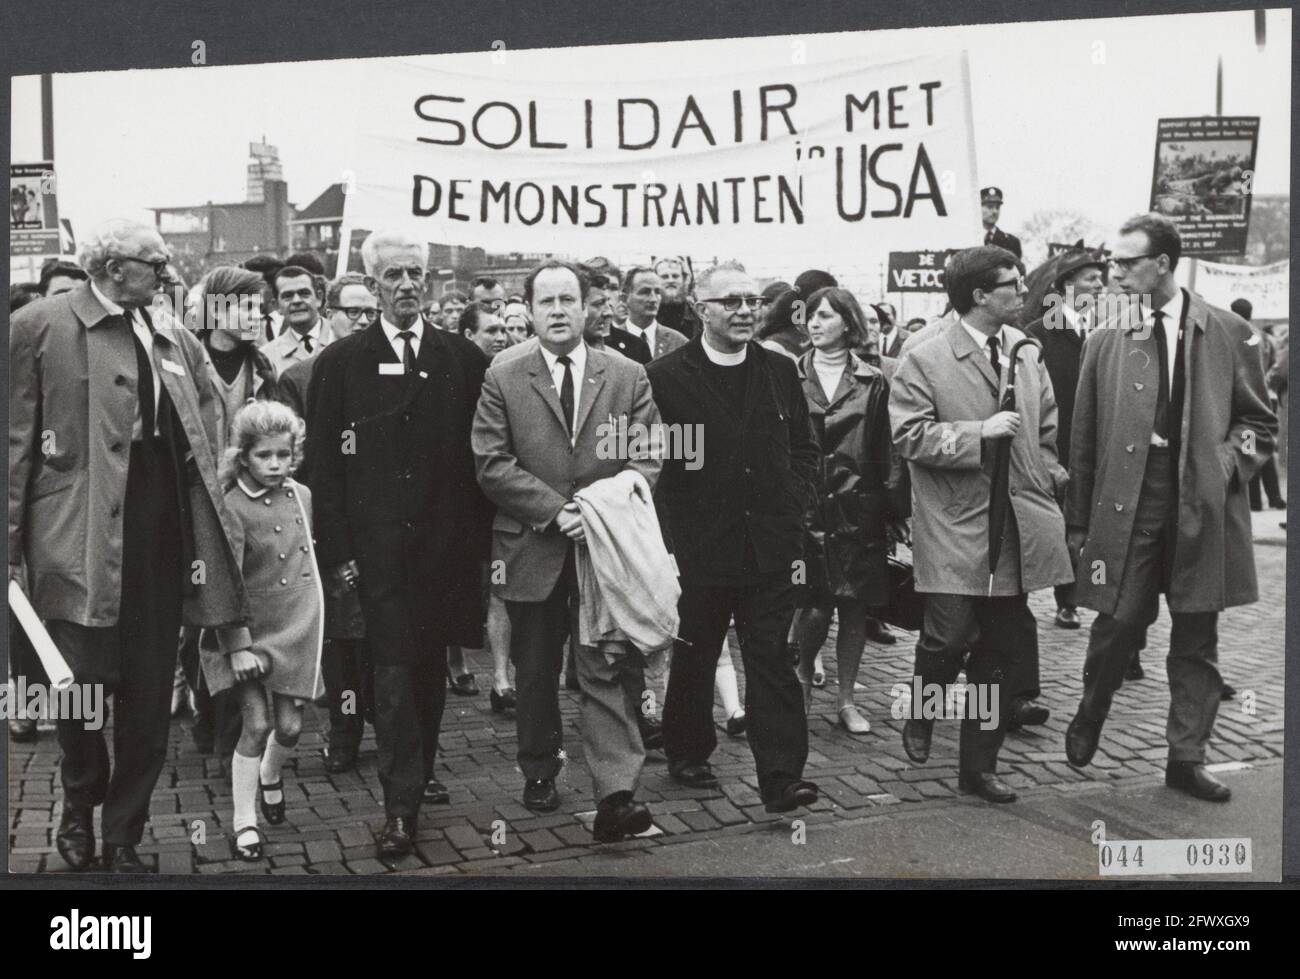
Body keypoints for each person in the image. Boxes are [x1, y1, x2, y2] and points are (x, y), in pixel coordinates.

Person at [9, 219, 249, 871]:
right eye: (155, 262)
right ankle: (77, 804)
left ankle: (123, 833)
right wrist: (9, 549)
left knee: (148, 692)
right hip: (75, 531)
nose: (168, 273)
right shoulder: (40, 325)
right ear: (113, 267)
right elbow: (14, 445)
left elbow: (207, 426)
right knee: (76, 685)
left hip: (160, 524)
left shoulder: (171, 330)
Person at [1064, 214, 1277, 802]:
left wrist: (1226, 467)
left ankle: (1187, 758)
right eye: (1113, 261)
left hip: (1200, 508)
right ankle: (1092, 707)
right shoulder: (1105, 340)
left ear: (1163, 264)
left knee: (1197, 636)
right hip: (1127, 506)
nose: (1115, 272)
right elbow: (1081, 442)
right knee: (1117, 622)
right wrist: (1079, 523)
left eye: (1126, 262)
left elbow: (1259, 423)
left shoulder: (1231, 333)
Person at [307, 230, 492, 858]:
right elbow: (325, 467)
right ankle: (399, 807)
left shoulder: (464, 360)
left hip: (444, 547)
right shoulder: (340, 364)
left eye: (417, 273)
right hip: (376, 549)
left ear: (432, 281)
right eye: (393, 276)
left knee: (428, 670)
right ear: (373, 285)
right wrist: (338, 552)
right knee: (389, 673)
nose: (407, 285)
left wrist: (476, 544)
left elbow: (483, 458)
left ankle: (421, 767)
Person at [472, 259, 664, 838]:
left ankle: (617, 792)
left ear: (587, 308)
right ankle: (539, 767)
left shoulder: (627, 375)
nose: (557, 311)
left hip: (604, 549)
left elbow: (647, 454)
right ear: (529, 311)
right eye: (546, 301)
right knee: (535, 669)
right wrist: (557, 511)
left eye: (568, 300)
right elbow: (490, 462)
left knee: (607, 665)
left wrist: (600, 510)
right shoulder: (503, 376)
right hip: (533, 545)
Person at [889, 245, 1072, 803]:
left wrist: (1051, 472)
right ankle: (922, 712)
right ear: (979, 295)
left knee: (998, 650)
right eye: (1012, 284)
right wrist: (977, 432)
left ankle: (979, 766)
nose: (1022, 292)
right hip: (954, 519)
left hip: (1015, 520)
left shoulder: (1024, 350)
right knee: (945, 634)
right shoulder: (923, 355)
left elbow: (1046, 427)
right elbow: (908, 435)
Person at [648, 262, 821, 813]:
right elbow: (656, 466)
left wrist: (795, 502)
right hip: (700, 544)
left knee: (771, 656)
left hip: (770, 543)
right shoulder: (665, 376)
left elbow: (804, 447)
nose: (746, 310)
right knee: (696, 650)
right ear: (702, 310)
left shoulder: (779, 369)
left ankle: (781, 775)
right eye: (731, 302)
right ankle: (688, 748)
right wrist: (672, 540)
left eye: (752, 300)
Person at [206, 401, 325, 861]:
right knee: (256, 724)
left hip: (294, 627)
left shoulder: (303, 495)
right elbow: (222, 581)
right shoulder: (231, 505)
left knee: (291, 727)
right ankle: (244, 821)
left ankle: (271, 774)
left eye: (283, 454)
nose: (275, 465)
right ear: (244, 456)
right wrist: (236, 644)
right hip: (249, 632)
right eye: (264, 456)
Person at [275, 273, 379, 773]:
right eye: (351, 312)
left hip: (385, 520)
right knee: (339, 637)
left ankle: (392, 728)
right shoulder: (302, 376)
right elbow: (299, 461)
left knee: (386, 632)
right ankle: (345, 730)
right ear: (329, 314)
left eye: (369, 313)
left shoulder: (395, 368)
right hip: (330, 518)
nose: (361, 322)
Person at [795, 287, 908, 734]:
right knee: (813, 606)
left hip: (858, 510)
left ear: (848, 321)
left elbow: (889, 449)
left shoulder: (873, 380)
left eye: (826, 315)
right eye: (811, 317)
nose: (815, 323)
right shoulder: (789, 375)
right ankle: (801, 682)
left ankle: (846, 699)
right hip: (805, 510)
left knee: (856, 608)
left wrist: (895, 508)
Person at [1024, 247, 1108, 630]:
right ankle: (1066, 600)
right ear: (1067, 285)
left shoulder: (1111, 329)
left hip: (1099, 445)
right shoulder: (1039, 333)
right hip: (1057, 444)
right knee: (1059, 524)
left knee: (1091, 524)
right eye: (1091, 278)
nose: (1100, 285)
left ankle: (1088, 597)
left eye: (1100, 278)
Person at [1233, 299, 1286, 511]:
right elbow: (1274, 365)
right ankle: (1274, 497)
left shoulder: (1234, 332)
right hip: (1266, 399)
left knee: (1249, 448)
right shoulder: (1264, 337)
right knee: (1265, 447)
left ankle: (1254, 501)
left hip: (1245, 402)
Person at [260, 265, 333, 377]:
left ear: (319, 298)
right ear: (277, 306)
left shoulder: (341, 336)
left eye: (304, 293)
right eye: (287, 296)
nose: (297, 301)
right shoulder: (268, 356)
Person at [606, 266, 687, 363]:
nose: (653, 299)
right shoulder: (611, 341)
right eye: (645, 292)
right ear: (624, 298)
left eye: (657, 292)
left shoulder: (678, 342)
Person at [653, 255, 702, 338]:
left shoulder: (698, 316)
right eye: (665, 277)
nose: (671, 280)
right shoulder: (648, 315)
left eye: (675, 276)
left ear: (684, 279)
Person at [981, 186, 1022, 258]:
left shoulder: (1012, 242)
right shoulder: (968, 239)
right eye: (990, 207)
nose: (995, 211)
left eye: (997, 207)